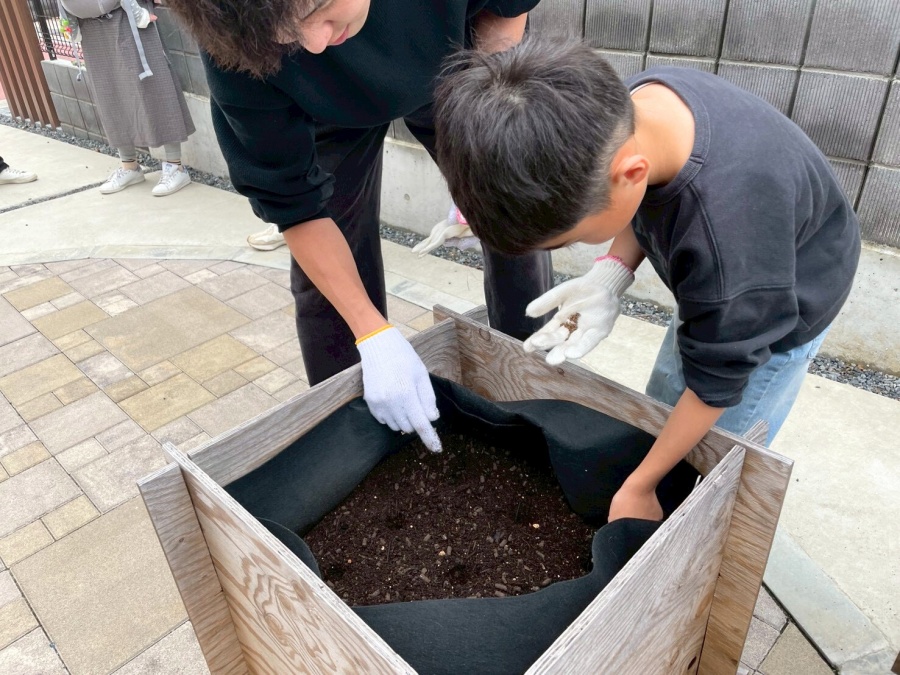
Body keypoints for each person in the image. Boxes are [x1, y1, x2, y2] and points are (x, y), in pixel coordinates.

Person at [433, 37, 860, 521]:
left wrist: (640, 486)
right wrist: (611, 274)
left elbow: (720, 379)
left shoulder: (729, 239)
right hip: (739, 276)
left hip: (790, 295)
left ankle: (682, 506)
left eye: (569, 240)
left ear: (630, 173)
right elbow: (643, 199)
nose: (571, 248)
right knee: (672, 390)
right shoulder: (629, 108)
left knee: (723, 445)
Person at [164, 0, 553, 451]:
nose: (316, 42)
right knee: (329, 290)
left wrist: (485, 127)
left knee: (513, 209)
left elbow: (505, 9)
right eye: (286, 36)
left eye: (318, 9)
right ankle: (359, 433)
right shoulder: (234, 38)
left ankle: (531, 378)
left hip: (453, 59)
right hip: (324, 110)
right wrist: (371, 332)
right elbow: (294, 204)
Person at [59, 0, 194, 196]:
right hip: (88, 20)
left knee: (154, 85)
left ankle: (175, 166)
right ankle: (129, 165)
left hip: (129, 12)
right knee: (109, 90)